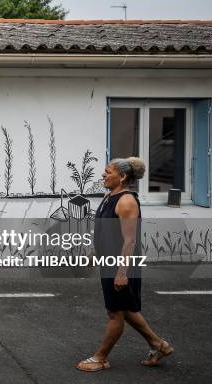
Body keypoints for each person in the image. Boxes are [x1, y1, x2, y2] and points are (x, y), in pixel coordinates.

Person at [76, 157, 174, 372]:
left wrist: (122, 272)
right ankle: (159, 345)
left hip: (121, 264)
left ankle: (100, 358)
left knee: (115, 312)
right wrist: (94, 254)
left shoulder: (126, 202)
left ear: (122, 177)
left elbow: (130, 241)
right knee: (126, 309)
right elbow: (103, 231)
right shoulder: (109, 197)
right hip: (110, 261)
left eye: (107, 171)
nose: (103, 174)